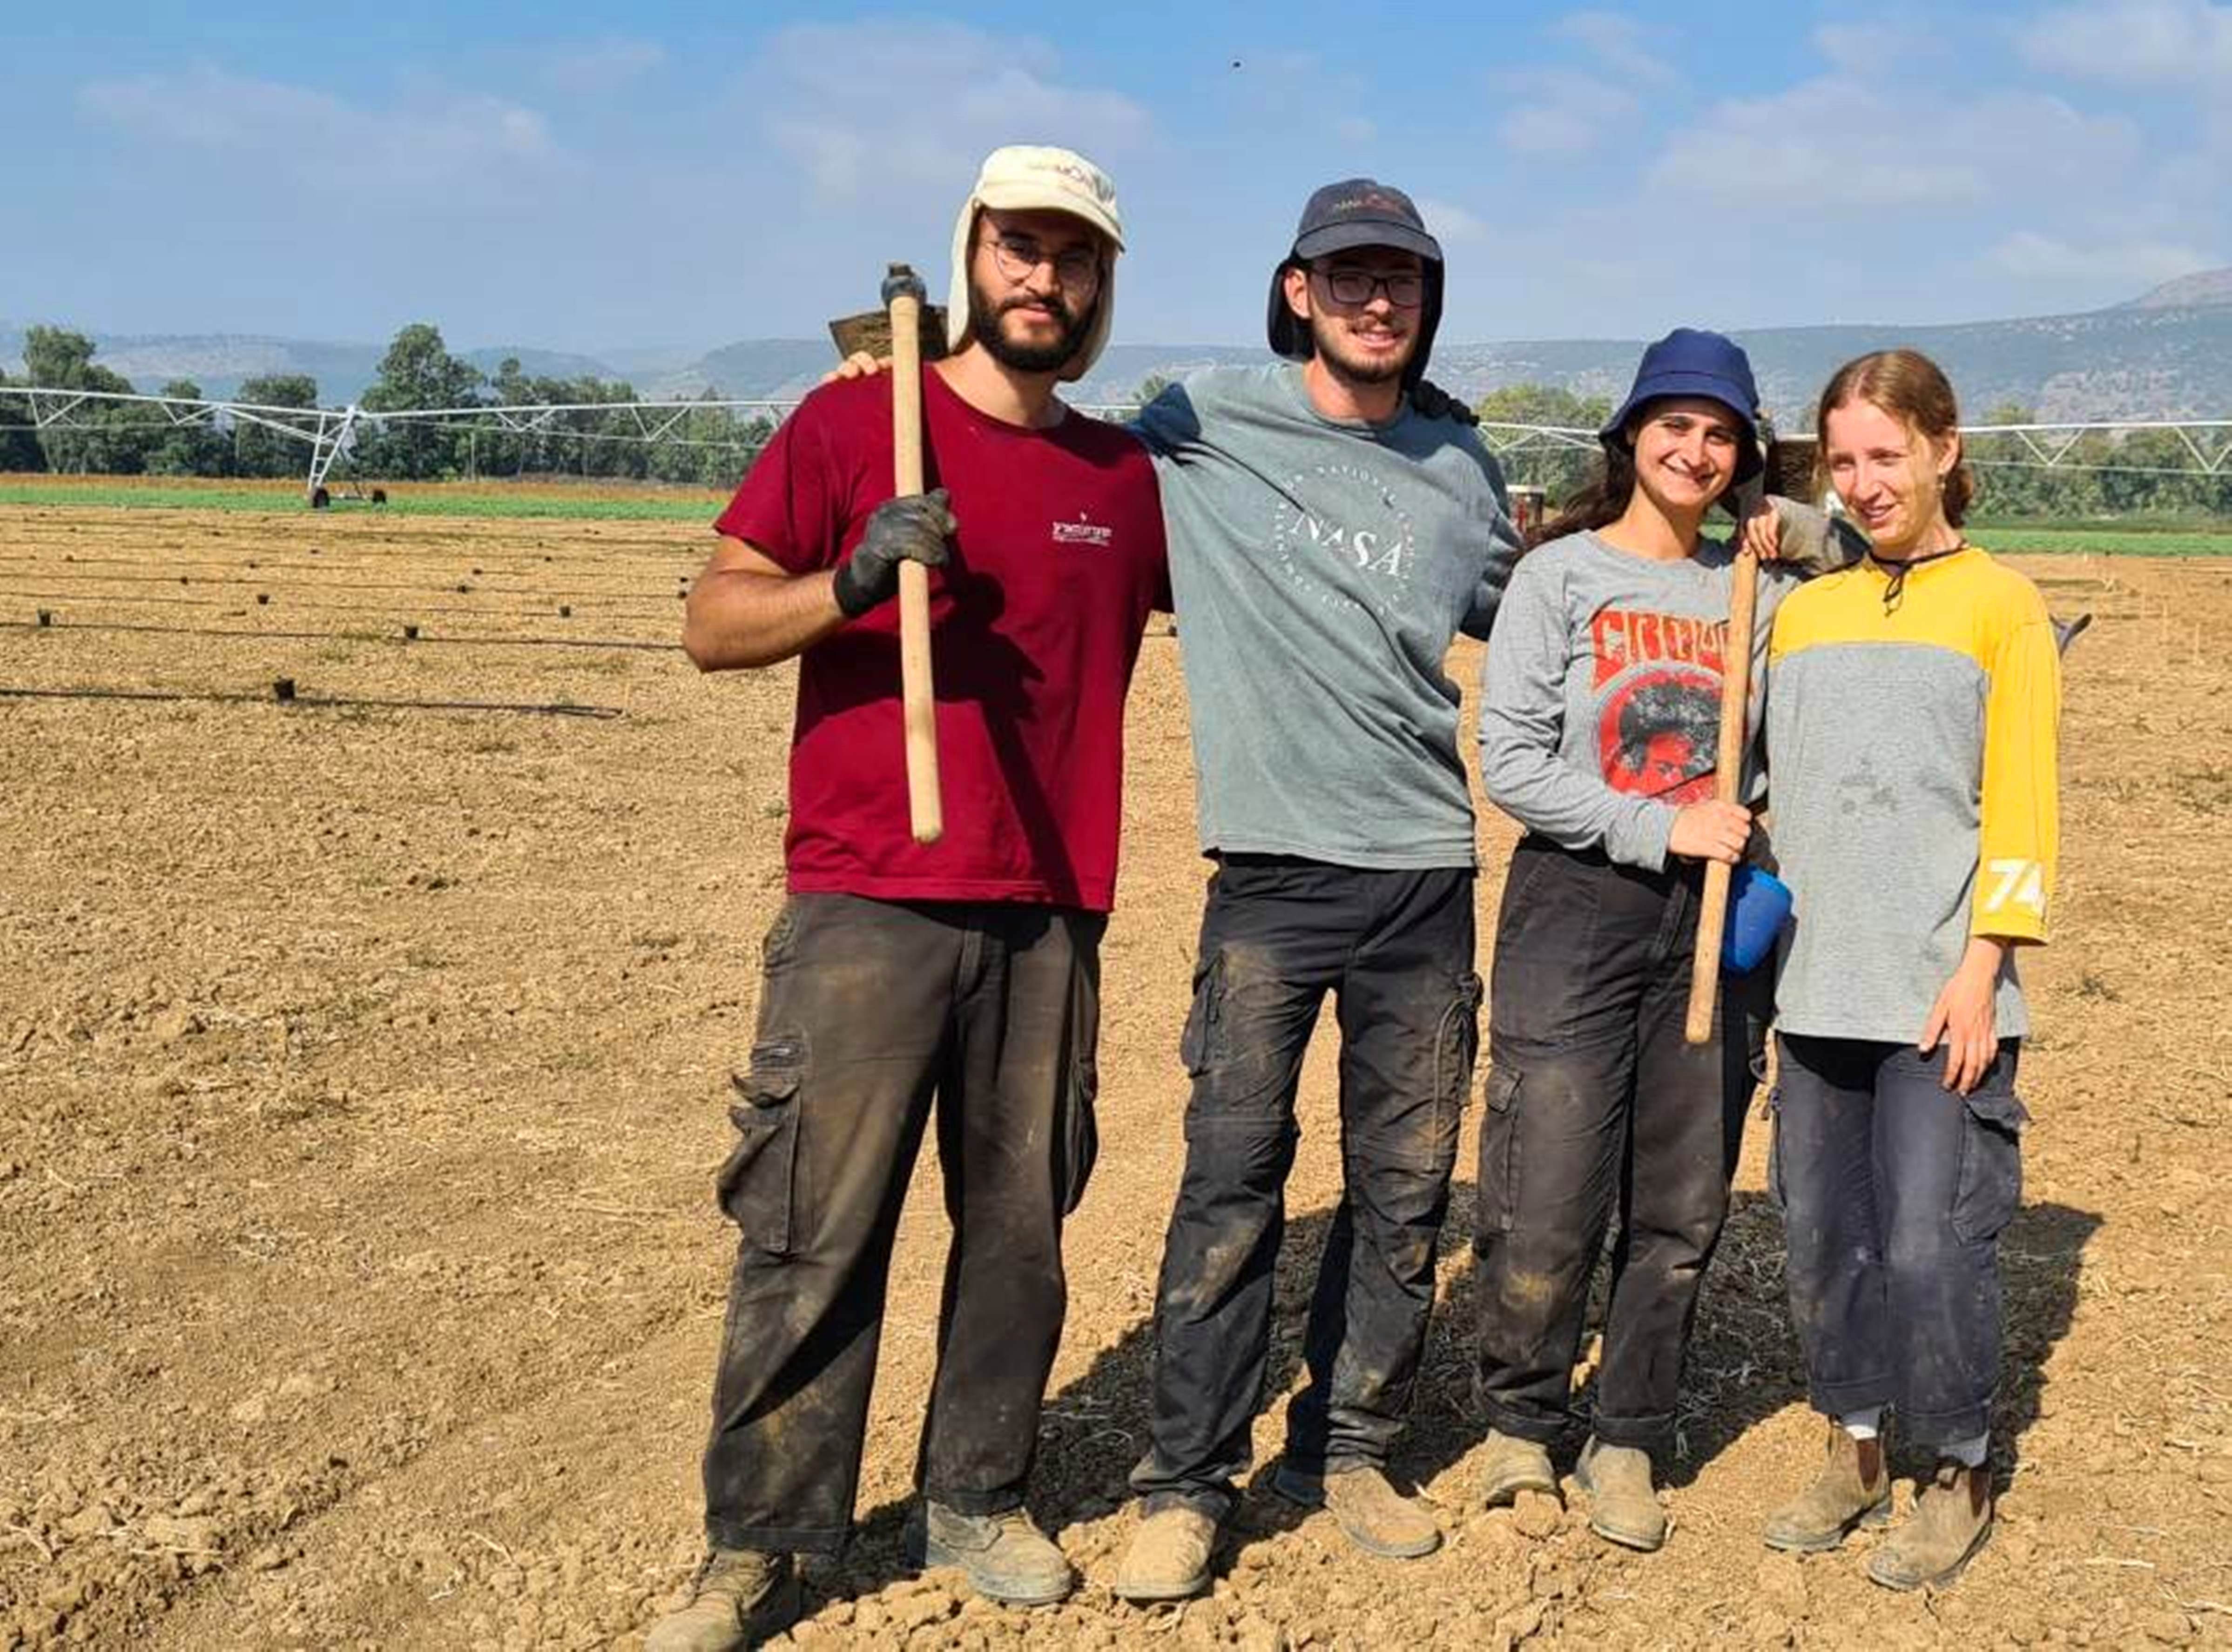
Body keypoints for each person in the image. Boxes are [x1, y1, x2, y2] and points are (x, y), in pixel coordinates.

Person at [644, 144, 1169, 1652]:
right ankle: (760, 1540)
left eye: (1073, 259)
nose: (1043, 280)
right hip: (868, 896)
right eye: (1018, 248)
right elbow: (710, 624)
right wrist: (852, 584)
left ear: (1101, 288)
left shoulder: (1119, 479)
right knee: (814, 1225)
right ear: (970, 256)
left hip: (1051, 906)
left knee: (1019, 1229)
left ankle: (975, 1496)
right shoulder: (851, 427)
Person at [1110, 179, 1521, 1602]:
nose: (1376, 300)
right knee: (1229, 1183)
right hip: (1271, 879)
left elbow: (1542, 609)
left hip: (1421, 874)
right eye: (1348, 276)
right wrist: (886, 371)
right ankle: (1184, 1481)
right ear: (1297, 289)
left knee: (1402, 1192)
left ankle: (1344, 1445)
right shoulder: (1199, 420)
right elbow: (1041, 452)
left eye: (1401, 279)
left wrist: (1747, 550)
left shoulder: (1460, 467)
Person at [1469, 329, 1861, 1552]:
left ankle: (1628, 1433)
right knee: (1544, 1185)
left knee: (1681, 1203)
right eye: (1672, 424)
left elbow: (1886, 547)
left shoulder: (1765, 595)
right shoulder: (1559, 579)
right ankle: (1518, 1430)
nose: (1693, 450)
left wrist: (1792, 525)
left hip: (1715, 917)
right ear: (1628, 436)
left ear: (1742, 454)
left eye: (1720, 433)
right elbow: (1515, 764)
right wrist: (1657, 824)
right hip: (1577, 903)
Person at [1759, 348, 2059, 1590]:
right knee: (1823, 1236)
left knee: (1933, 1244)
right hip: (1811, 984)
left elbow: (2024, 812)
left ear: (1943, 448)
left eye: (1886, 455)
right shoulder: (1803, 611)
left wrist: (1982, 963)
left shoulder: (2002, 606)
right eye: (1841, 462)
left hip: (1939, 987)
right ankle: (1859, 1443)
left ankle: (1954, 1468)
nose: (1864, 482)